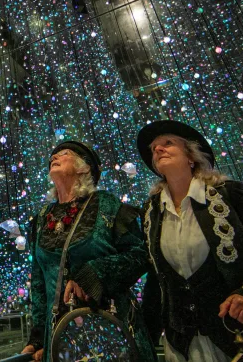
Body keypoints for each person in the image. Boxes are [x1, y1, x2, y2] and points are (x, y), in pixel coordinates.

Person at [136, 120, 243, 361]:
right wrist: (145, 338)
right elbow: (158, 281)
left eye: (168, 143)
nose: (157, 149)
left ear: (191, 156)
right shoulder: (151, 211)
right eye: (154, 148)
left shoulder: (229, 194)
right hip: (188, 345)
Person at [22, 141, 154, 361]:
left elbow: (141, 254)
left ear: (84, 168)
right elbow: (38, 283)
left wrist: (95, 273)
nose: (54, 157)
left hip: (108, 330)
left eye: (64, 153)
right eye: (53, 156)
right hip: (59, 337)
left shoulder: (107, 205)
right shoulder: (41, 219)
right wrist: (37, 339)